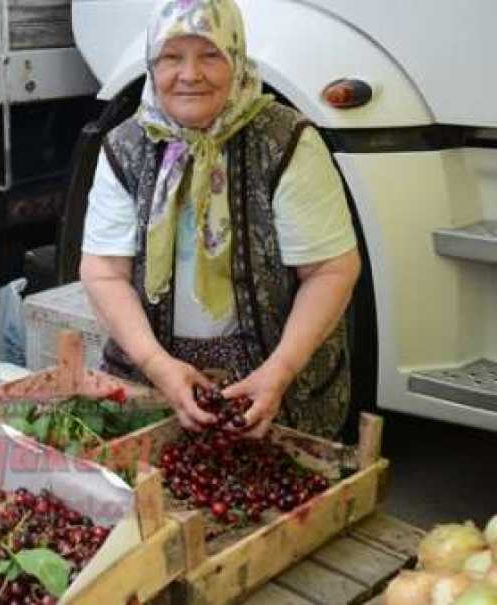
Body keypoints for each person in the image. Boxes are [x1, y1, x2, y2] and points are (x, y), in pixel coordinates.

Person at [80, 0, 360, 439]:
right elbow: (104, 272)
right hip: (153, 385)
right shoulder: (126, 146)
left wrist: (281, 370)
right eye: (172, 57)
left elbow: (330, 270)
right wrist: (156, 365)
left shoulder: (285, 141)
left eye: (210, 54)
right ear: (151, 64)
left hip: (274, 391)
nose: (190, 74)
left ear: (237, 56)